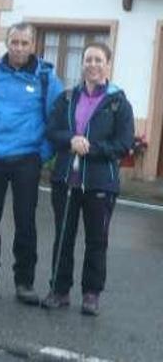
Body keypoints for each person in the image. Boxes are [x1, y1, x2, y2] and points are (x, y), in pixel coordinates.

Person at [0, 22, 63, 304]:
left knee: (25, 222)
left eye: (24, 43)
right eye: (14, 42)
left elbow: (55, 121)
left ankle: (24, 282)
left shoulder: (46, 79)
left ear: (33, 46)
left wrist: (41, 155)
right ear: (7, 44)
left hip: (27, 161)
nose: (19, 48)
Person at [42, 42, 133, 316]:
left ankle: (91, 293)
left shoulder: (119, 102)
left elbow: (124, 144)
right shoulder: (68, 97)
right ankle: (59, 290)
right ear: (82, 63)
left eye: (98, 60)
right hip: (65, 180)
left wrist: (91, 148)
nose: (92, 64)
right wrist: (70, 140)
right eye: (88, 59)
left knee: (97, 240)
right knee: (63, 237)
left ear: (107, 64)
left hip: (100, 183)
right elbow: (52, 131)